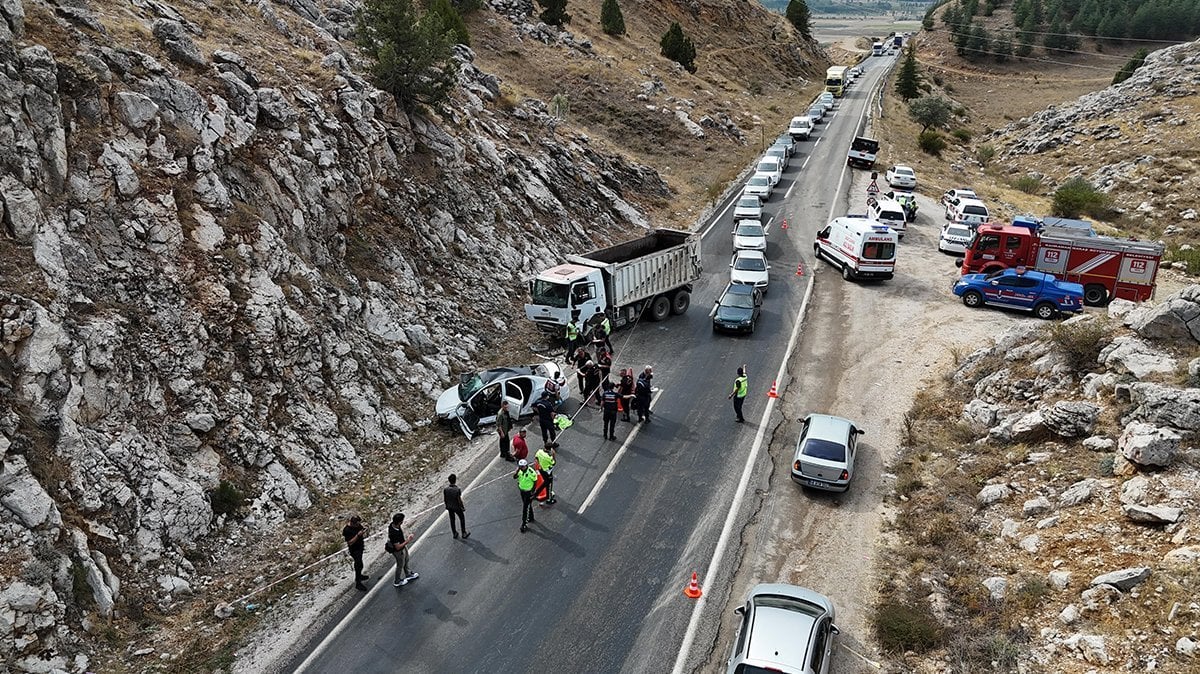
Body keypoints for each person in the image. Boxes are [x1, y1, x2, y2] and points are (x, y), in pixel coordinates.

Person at [386, 513, 418, 587]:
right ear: (400, 522)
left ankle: (408, 573)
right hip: (398, 551)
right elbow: (397, 547)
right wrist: (408, 540)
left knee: (406, 559)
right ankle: (397, 581)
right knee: (400, 564)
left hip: (402, 545)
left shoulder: (394, 525)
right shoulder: (393, 534)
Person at [342, 515, 368, 591]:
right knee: (358, 564)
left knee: (360, 564)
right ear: (353, 523)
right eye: (356, 524)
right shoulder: (347, 530)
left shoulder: (358, 525)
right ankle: (358, 582)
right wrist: (357, 535)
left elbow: (360, 529)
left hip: (360, 546)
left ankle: (359, 576)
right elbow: (350, 542)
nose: (358, 525)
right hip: (354, 549)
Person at [514, 459, 538, 532]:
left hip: (528, 492)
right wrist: (517, 471)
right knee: (527, 505)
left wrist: (533, 492)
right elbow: (514, 477)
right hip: (522, 491)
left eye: (523, 467)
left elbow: (535, 481)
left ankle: (524, 523)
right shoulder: (520, 471)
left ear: (526, 466)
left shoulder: (531, 472)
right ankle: (531, 517)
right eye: (520, 467)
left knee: (525, 508)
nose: (522, 468)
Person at [443, 474, 469, 540]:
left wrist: (447, 506)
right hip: (456, 507)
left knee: (452, 520)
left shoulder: (446, 489)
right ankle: (463, 533)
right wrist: (462, 507)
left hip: (450, 507)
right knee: (462, 518)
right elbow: (459, 500)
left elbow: (445, 499)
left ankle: (454, 533)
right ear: (455, 480)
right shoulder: (457, 490)